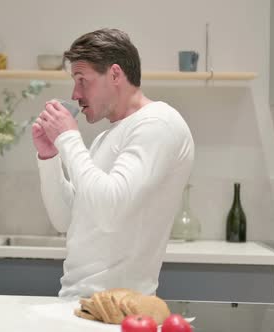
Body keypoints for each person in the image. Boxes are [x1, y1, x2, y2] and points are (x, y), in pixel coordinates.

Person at [32, 28, 195, 298]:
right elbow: (66, 220)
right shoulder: (107, 137)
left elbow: (110, 211)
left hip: (116, 309)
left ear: (115, 74)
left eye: (82, 80)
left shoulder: (158, 123)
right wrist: (50, 157)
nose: (75, 94)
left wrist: (69, 138)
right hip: (79, 302)